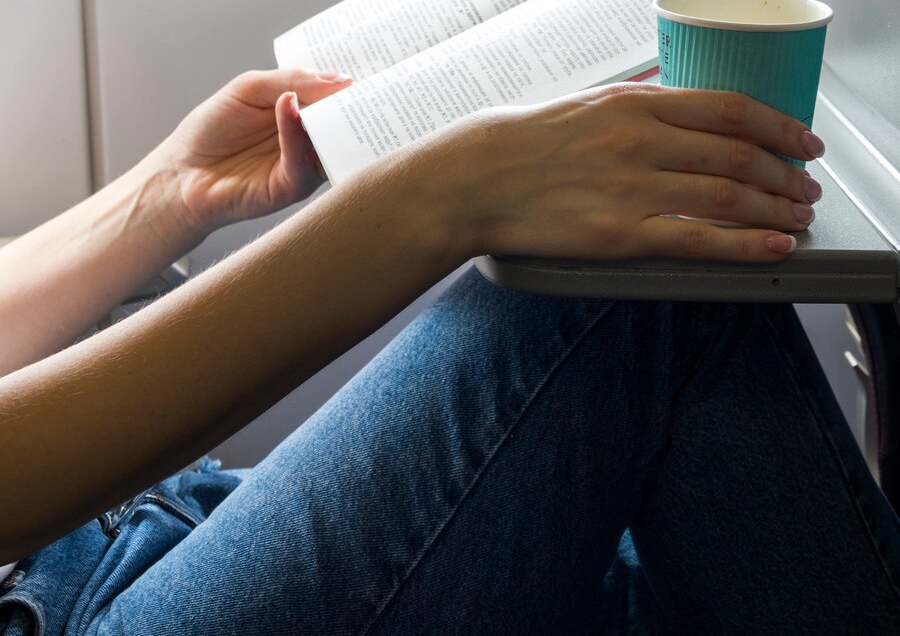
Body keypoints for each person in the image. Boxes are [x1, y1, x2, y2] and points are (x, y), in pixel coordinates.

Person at [1, 68, 898, 635]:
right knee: (642, 299)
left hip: (105, 535)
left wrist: (168, 192)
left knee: (681, 548)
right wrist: (441, 192)